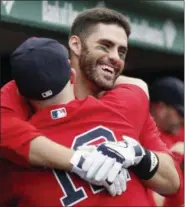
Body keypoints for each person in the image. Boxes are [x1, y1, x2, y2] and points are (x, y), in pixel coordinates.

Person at [0, 7, 182, 204]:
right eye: (105, 46)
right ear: (76, 45)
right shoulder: (21, 105)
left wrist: (142, 156)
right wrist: (77, 160)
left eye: (122, 51)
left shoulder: (126, 103)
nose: (115, 57)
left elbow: (173, 184)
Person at [148, 77, 184, 206]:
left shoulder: (175, 131)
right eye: (180, 114)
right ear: (160, 108)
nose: (182, 120)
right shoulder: (141, 136)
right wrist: (177, 158)